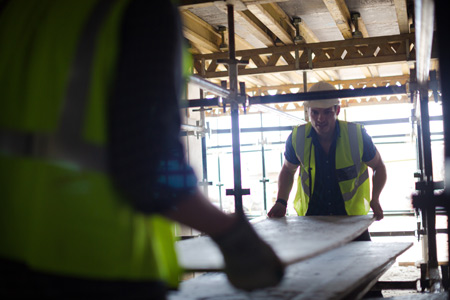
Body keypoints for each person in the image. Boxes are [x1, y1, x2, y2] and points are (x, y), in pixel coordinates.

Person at [0, 0, 283, 298]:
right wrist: (231, 235)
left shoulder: (16, 13)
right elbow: (151, 171)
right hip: (103, 266)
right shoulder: (137, 10)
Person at [268, 81, 387, 241]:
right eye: (315, 112)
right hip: (311, 221)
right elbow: (288, 170)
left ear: (337, 110)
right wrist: (281, 201)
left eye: (327, 112)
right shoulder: (298, 138)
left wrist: (375, 198)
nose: (320, 118)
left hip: (351, 221)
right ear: (307, 111)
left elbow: (379, 167)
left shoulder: (356, 135)